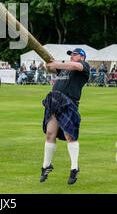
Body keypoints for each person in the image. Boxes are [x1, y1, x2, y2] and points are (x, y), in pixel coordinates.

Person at [40, 48, 90, 185]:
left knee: (70, 136)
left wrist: (57, 64)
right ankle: (46, 166)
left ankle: (74, 168)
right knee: (50, 134)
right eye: (71, 55)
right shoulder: (64, 69)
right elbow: (49, 69)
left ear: (82, 57)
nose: (72, 56)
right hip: (55, 101)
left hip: (69, 103)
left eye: (75, 54)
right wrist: (47, 63)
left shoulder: (84, 67)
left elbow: (75, 65)